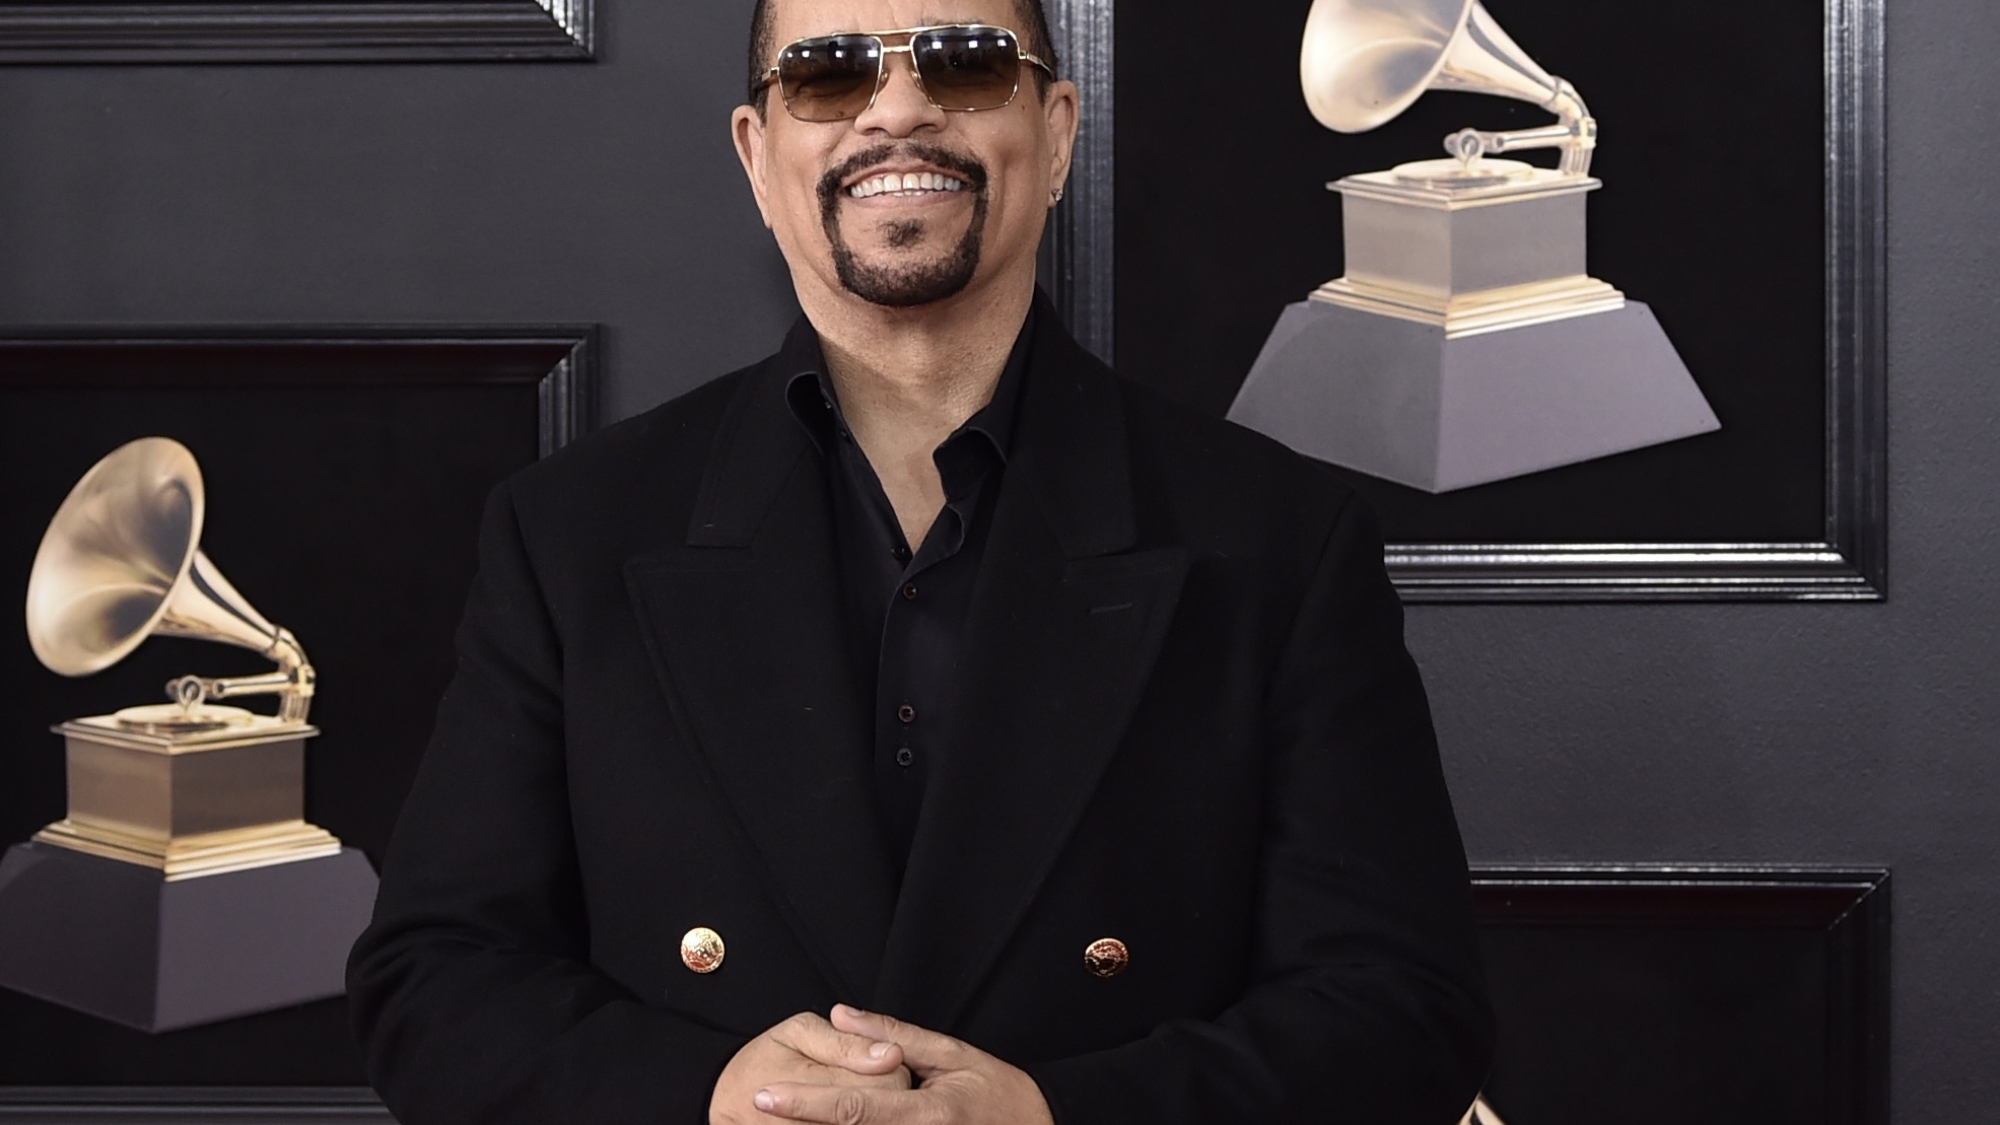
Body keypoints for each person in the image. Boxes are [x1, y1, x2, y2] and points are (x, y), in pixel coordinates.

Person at [346, 0, 1495, 1121]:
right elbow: (437, 985)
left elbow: (1398, 1014)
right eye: (829, 72)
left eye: (963, 62)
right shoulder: (569, 534)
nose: (896, 109)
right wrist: (703, 1099)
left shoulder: (1277, 537)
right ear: (759, 152)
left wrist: (1052, 1116)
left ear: (1053, 134)